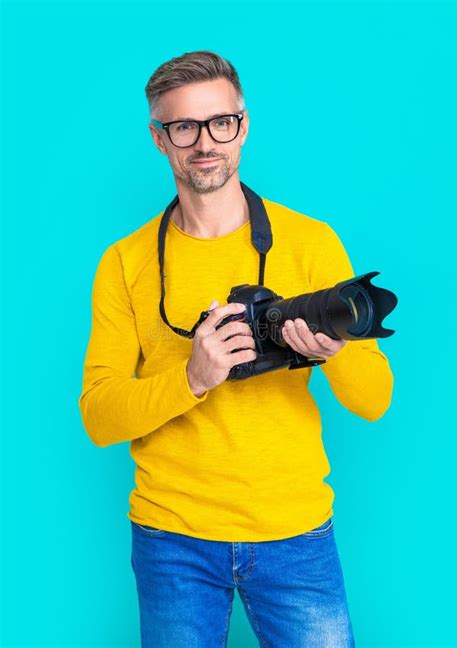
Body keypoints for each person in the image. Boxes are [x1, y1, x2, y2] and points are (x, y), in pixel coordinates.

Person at [78, 50, 394, 647]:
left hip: (295, 532)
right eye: (183, 127)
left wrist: (333, 351)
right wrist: (192, 377)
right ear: (159, 139)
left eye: (220, 122)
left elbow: (376, 400)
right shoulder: (125, 262)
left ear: (242, 125)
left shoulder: (310, 242)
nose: (205, 142)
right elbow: (98, 415)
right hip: (172, 536)